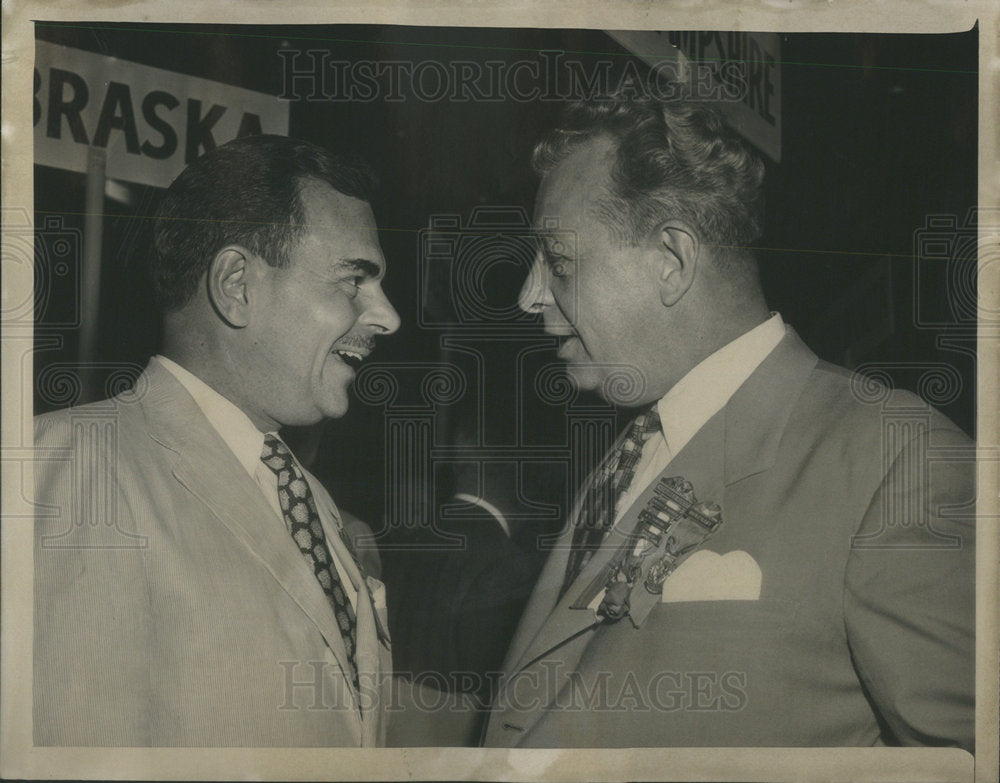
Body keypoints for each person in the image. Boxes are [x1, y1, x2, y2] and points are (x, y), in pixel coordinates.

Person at [482, 96, 976, 749]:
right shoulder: (622, 463)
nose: (529, 295)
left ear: (672, 261)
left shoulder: (897, 459)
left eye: (560, 261)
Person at [33, 135, 400, 746]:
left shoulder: (310, 501)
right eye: (353, 280)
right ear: (236, 284)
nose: (387, 315)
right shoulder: (78, 468)